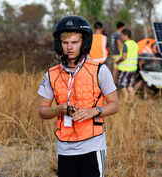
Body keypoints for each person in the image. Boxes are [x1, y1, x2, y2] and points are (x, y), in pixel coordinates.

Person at [37, 15, 119, 177]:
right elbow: (42, 111)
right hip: (64, 148)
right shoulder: (51, 74)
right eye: (65, 43)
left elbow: (114, 105)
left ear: (84, 43)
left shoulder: (99, 70)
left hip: (93, 146)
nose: (69, 47)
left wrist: (94, 111)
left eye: (75, 42)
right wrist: (59, 109)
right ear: (59, 44)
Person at [116, 28, 138, 102]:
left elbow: (124, 57)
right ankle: (131, 101)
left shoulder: (126, 44)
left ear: (126, 35)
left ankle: (125, 100)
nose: (121, 37)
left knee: (122, 85)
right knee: (130, 86)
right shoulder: (135, 44)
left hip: (125, 68)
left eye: (122, 35)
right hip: (133, 68)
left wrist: (117, 61)